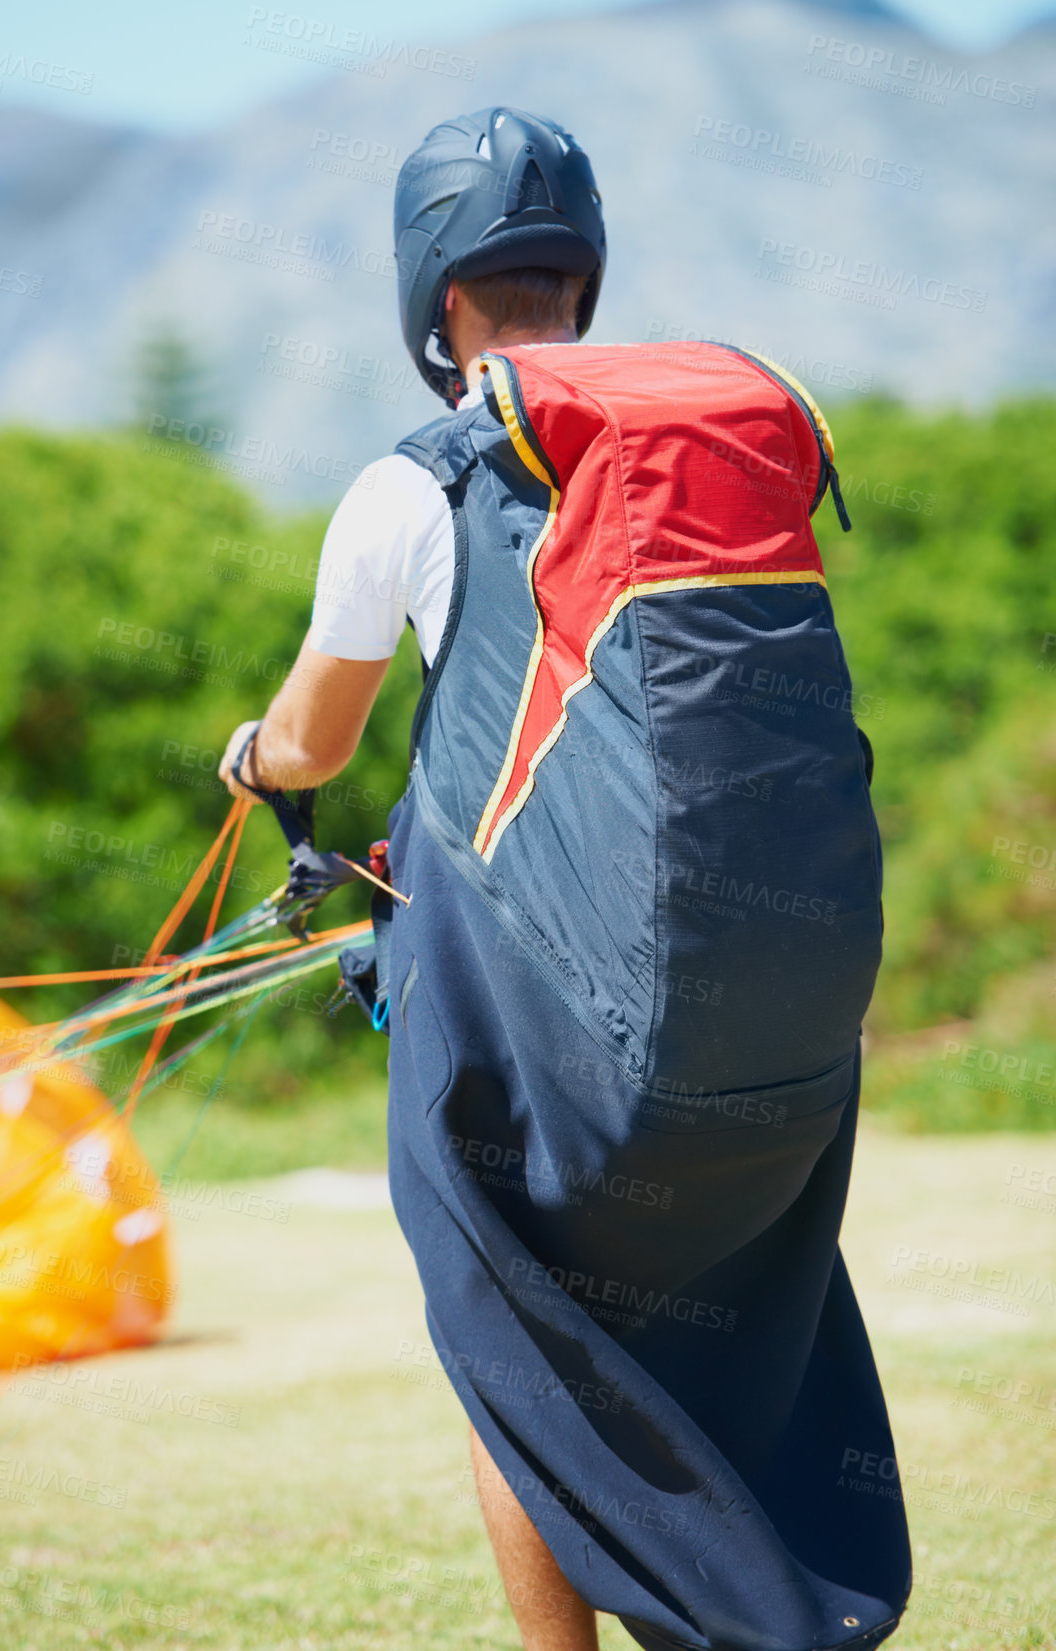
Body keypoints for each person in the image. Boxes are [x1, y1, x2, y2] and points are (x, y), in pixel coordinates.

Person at [219, 106, 911, 1651]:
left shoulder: (407, 488)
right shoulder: (712, 464)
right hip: (787, 1050)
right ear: (577, 283)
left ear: (433, 295)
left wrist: (255, 763)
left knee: (503, 1336)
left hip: (564, 1051)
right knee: (688, 1334)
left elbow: (311, 736)